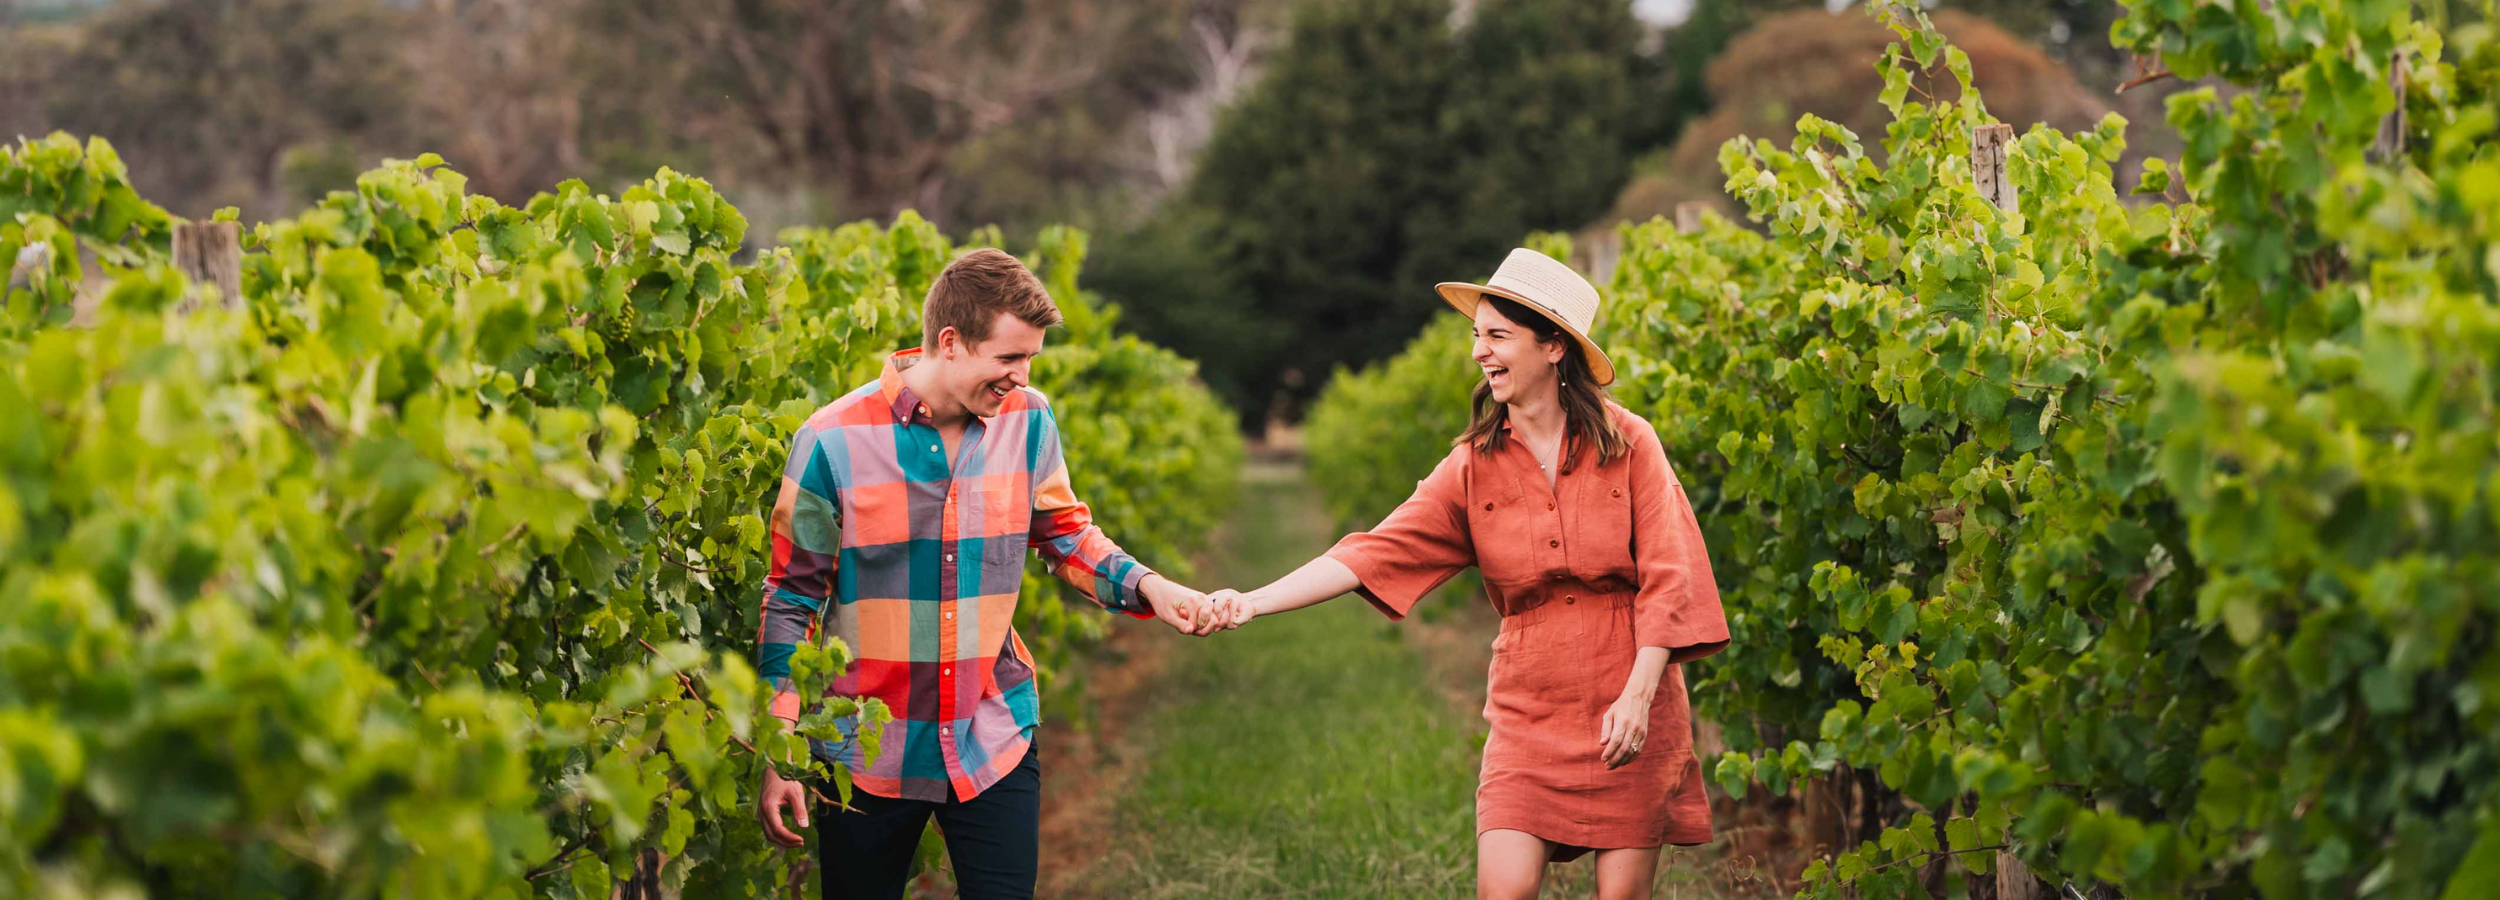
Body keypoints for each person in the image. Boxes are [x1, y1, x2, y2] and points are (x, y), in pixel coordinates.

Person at [1212, 248, 1732, 900]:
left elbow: (1669, 571)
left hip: (1630, 704)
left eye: (1497, 336)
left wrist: (1638, 693)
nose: (1480, 352)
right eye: (1475, 335)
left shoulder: (1631, 444)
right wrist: (1252, 602)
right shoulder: (1472, 465)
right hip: (1529, 713)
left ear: (1553, 347)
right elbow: (1373, 552)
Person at [749, 248, 1217, 900]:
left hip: (991, 727)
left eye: (1030, 360)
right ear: (950, 342)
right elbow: (792, 598)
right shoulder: (832, 440)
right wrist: (780, 745)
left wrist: (1152, 587)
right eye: (1008, 358)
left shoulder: (1028, 419)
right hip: (864, 746)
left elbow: (1065, 535)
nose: (1020, 377)